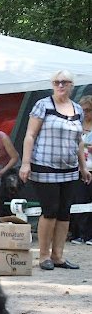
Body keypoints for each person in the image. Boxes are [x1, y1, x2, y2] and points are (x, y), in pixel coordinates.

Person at [19, 70, 92, 270]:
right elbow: (30, 135)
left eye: (65, 82)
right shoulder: (43, 105)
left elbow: (78, 141)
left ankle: (58, 256)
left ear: (71, 85)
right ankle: (43, 256)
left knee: (64, 212)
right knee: (50, 210)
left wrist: (83, 167)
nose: (60, 85)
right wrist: (26, 163)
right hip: (44, 165)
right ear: (52, 84)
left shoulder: (77, 108)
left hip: (69, 169)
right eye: (57, 82)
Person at [69, 95, 92, 245]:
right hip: (78, 169)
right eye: (82, 110)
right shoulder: (76, 125)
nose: (85, 113)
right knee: (79, 202)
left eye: (88, 110)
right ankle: (79, 233)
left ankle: (89, 235)